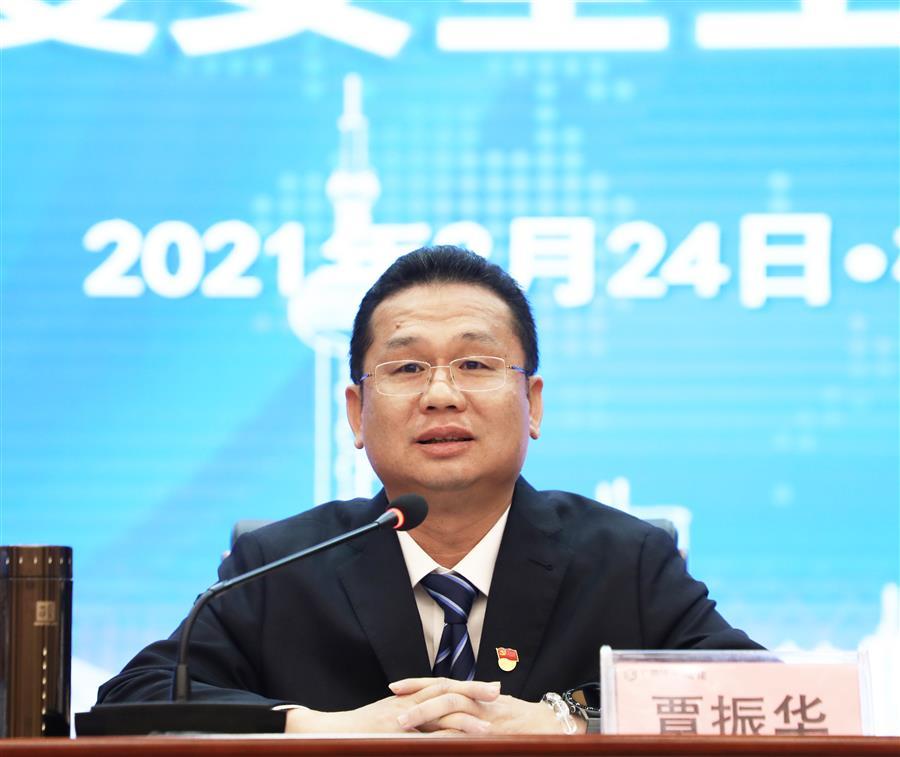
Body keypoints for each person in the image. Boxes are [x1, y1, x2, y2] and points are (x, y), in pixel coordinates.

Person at [97, 246, 761, 735]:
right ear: (356, 414)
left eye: (474, 363)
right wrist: (323, 728)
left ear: (532, 403)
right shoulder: (278, 566)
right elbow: (131, 699)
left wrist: (564, 721)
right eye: (408, 367)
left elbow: (761, 695)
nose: (442, 394)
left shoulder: (626, 560)